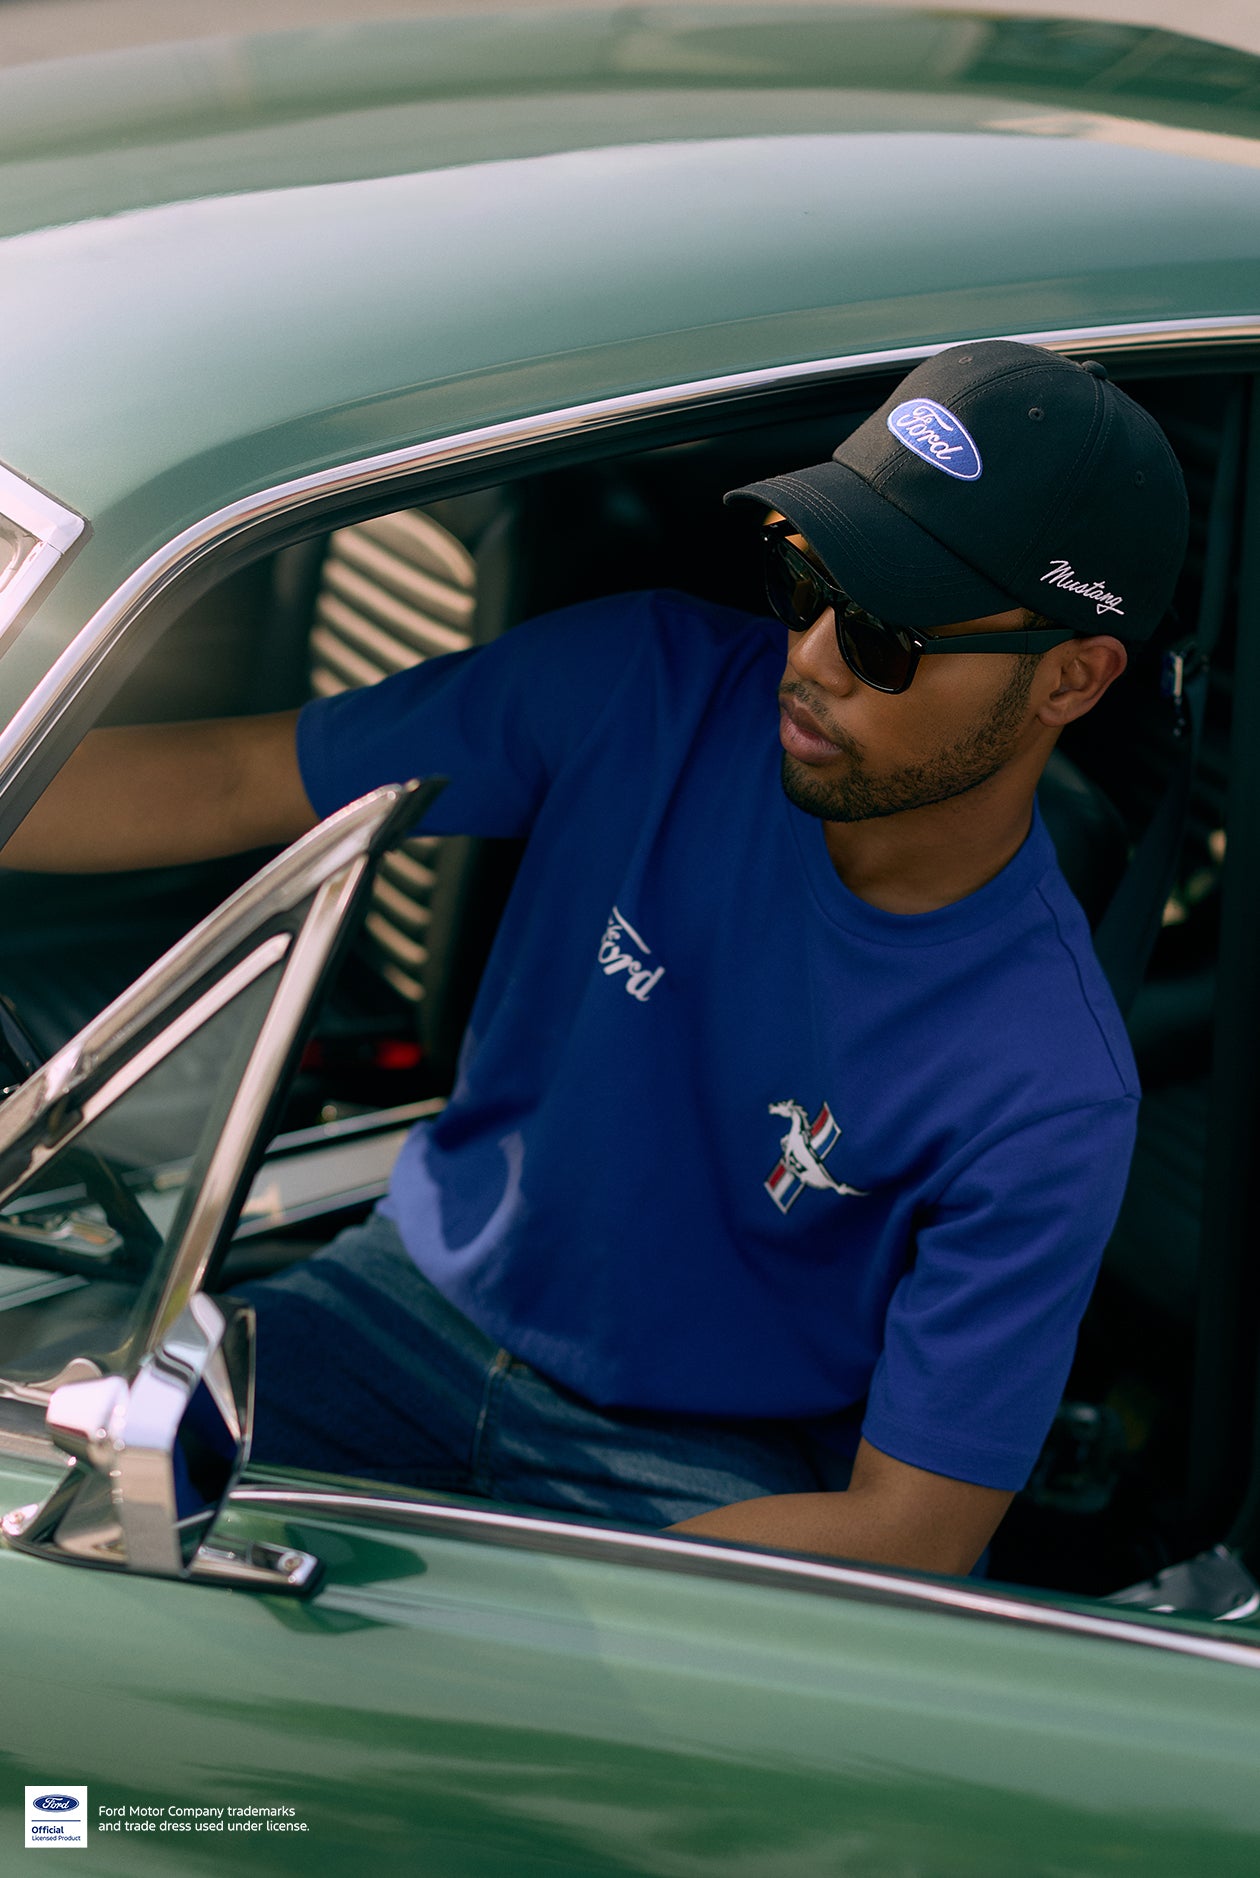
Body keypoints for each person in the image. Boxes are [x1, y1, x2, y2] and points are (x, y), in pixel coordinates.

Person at [2, 341, 1188, 1576]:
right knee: (48, 1527)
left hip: (696, 1454)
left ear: (1071, 677)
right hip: (398, 1304)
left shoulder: (1053, 1086)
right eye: (805, 580)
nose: (813, 656)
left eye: (887, 636)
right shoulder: (644, 685)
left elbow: (913, 1531)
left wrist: (522, 1620)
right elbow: (237, 775)